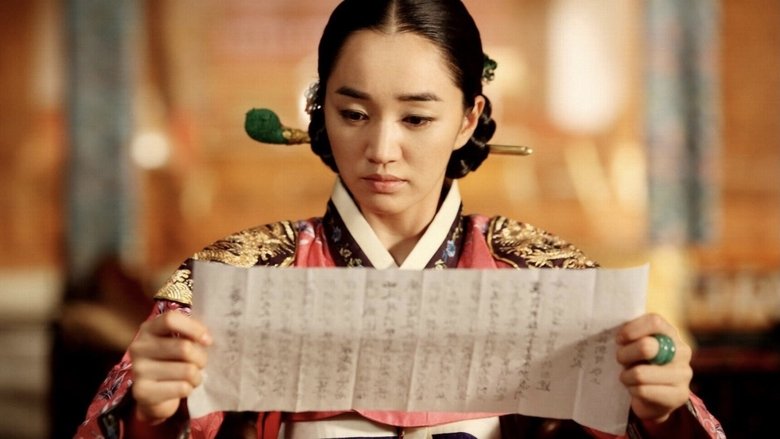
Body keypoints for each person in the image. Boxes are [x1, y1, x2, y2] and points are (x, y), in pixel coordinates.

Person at [75, 1, 725, 438]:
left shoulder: (549, 277)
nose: (382, 149)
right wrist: (151, 415)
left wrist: (660, 412)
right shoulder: (230, 278)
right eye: (354, 114)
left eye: (417, 117)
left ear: (468, 117)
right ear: (319, 110)